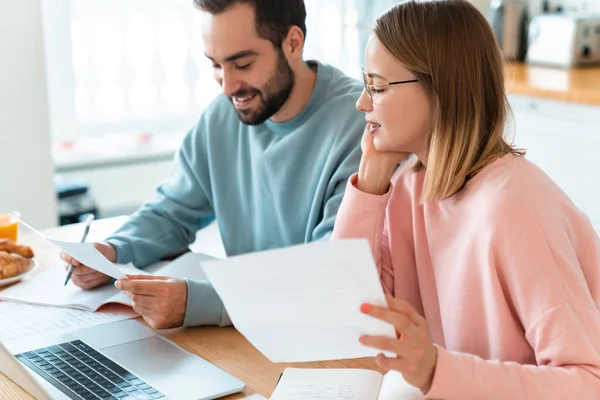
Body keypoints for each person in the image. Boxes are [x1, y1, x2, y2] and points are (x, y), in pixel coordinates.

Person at [332, 0, 600, 398]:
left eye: (378, 87)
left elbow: (587, 382)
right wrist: (371, 181)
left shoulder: (516, 209)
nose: (362, 103)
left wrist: (437, 371)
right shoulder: (409, 188)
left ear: (440, 88)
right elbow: (351, 314)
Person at [61, 0, 364, 330]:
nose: (227, 86)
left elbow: (329, 271)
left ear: (293, 43)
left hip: (323, 332)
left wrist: (203, 302)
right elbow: (172, 212)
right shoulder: (223, 115)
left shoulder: (362, 124)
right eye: (216, 65)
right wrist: (113, 250)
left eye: (243, 64)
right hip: (246, 332)